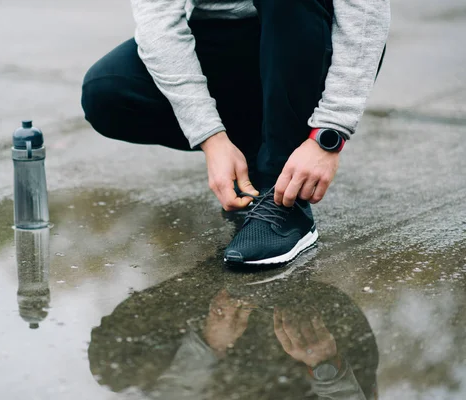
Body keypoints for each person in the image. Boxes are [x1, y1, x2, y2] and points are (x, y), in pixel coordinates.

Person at [81, 0, 390, 265]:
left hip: (307, 34)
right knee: (107, 92)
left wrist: (329, 133)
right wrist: (211, 137)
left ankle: (285, 201)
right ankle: (257, 152)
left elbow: (363, 11)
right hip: (228, 37)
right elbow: (158, 23)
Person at [88, 257, 379, 399]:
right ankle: (278, 279)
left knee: (112, 365)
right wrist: (324, 365)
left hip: (216, 368)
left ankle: (220, 275)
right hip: (297, 366)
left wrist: (208, 344)